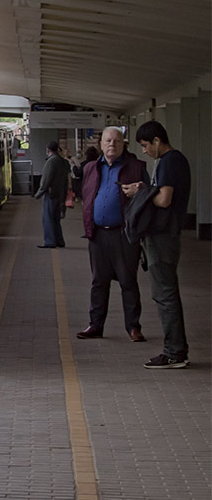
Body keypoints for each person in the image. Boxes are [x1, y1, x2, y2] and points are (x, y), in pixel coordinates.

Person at [129, 121, 191, 369]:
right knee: (167, 292)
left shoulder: (168, 161)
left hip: (163, 236)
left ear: (157, 141)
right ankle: (176, 349)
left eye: (145, 145)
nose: (144, 151)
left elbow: (164, 200)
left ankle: (174, 351)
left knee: (164, 294)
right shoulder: (179, 160)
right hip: (170, 235)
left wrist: (140, 191)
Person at [76, 127, 149, 342]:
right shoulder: (90, 168)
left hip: (124, 234)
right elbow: (86, 195)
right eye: (108, 140)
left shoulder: (136, 167)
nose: (112, 144)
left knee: (128, 281)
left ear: (124, 144)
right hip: (98, 234)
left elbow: (148, 195)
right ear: (100, 144)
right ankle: (95, 325)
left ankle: (133, 327)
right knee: (99, 282)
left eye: (117, 141)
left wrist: (142, 188)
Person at [34, 141, 69, 248]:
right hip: (60, 194)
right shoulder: (63, 162)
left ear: (48, 150)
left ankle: (49, 241)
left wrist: (38, 193)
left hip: (51, 194)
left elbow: (46, 180)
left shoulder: (51, 161)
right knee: (56, 219)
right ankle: (59, 240)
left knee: (48, 218)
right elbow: (66, 180)